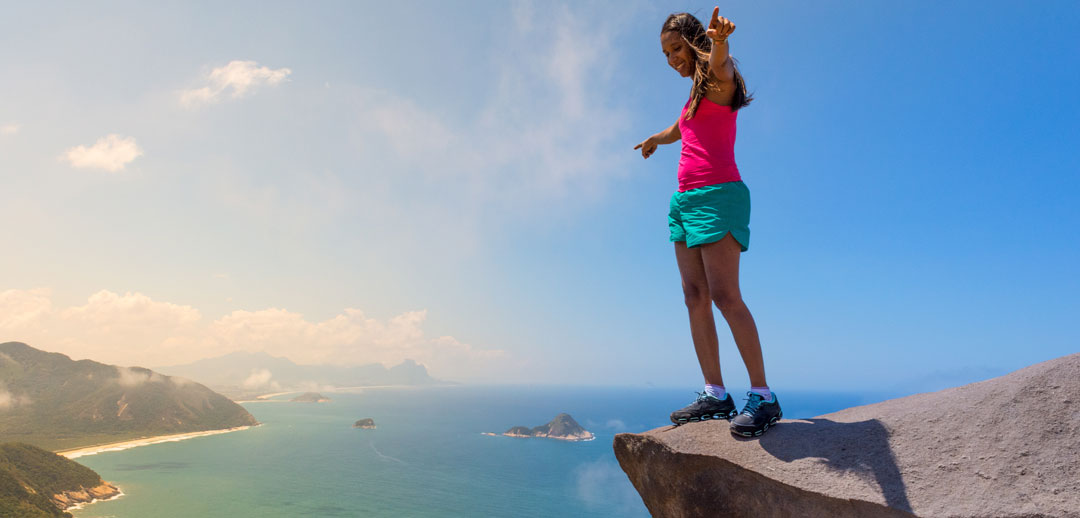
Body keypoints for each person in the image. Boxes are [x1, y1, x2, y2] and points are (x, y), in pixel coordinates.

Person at [634, 8, 781, 437]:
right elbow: (677, 129)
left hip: (719, 197)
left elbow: (720, 62)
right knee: (694, 295)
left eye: (675, 48)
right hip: (684, 203)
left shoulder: (719, 79)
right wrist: (654, 141)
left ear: (693, 41)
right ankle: (716, 392)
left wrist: (719, 42)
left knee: (724, 295)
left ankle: (764, 396)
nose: (670, 59)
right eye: (664, 54)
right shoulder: (693, 100)